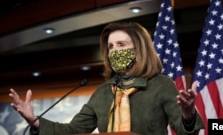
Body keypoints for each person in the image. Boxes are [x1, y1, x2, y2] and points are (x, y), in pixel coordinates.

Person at [9, 22, 204, 135]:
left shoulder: (161, 85)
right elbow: (74, 131)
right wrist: (35, 121)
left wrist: (188, 114)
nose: (115, 51)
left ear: (139, 49)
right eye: (111, 47)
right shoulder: (104, 92)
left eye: (121, 44)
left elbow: (186, 130)